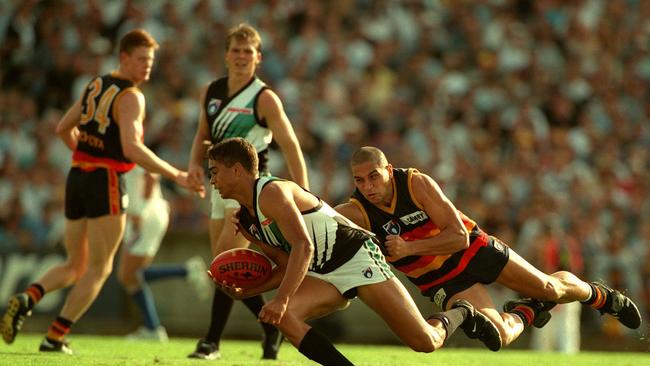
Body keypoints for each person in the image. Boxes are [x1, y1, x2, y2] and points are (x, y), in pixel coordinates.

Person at [206, 138, 501, 366]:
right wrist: (249, 291)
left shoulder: (272, 192)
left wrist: (281, 298)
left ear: (237, 170)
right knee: (283, 317)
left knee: (424, 340)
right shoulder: (246, 220)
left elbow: (303, 245)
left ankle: (462, 312)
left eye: (215, 172)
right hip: (322, 271)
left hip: (356, 256)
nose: (212, 180)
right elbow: (284, 266)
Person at [0, 29, 204, 354]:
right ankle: (54, 337)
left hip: (77, 177)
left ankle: (28, 297)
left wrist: (85, 154)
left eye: (150, 61)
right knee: (100, 268)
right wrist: (176, 174)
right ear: (124, 58)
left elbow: (62, 128)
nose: (147, 67)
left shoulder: (95, 84)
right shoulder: (132, 97)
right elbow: (132, 148)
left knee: (74, 265)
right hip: (107, 181)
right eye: (141, 60)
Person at [334, 146, 642, 349]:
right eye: (360, 181)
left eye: (374, 176)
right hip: (441, 280)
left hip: (474, 251)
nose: (368, 187)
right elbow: (316, 213)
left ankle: (601, 296)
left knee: (549, 288)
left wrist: (408, 248)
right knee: (500, 337)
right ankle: (527, 311)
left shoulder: (416, 184)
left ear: (389, 169)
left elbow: (459, 237)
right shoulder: (356, 210)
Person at [186, 23, 308, 360]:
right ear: (226, 55)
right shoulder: (211, 91)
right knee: (222, 267)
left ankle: (210, 341)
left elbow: (290, 143)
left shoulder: (263, 97)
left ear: (258, 58)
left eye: (248, 52)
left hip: (249, 189)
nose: (241, 57)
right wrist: (194, 165)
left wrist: (303, 192)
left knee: (225, 261)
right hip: (218, 185)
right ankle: (270, 327)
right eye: (236, 51)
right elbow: (202, 135)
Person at [117, 165, 210, 342]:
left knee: (127, 275)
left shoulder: (130, 150)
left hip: (144, 217)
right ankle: (152, 326)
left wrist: (140, 211)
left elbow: (151, 176)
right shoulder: (125, 150)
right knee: (132, 276)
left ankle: (153, 328)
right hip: (147, 216)